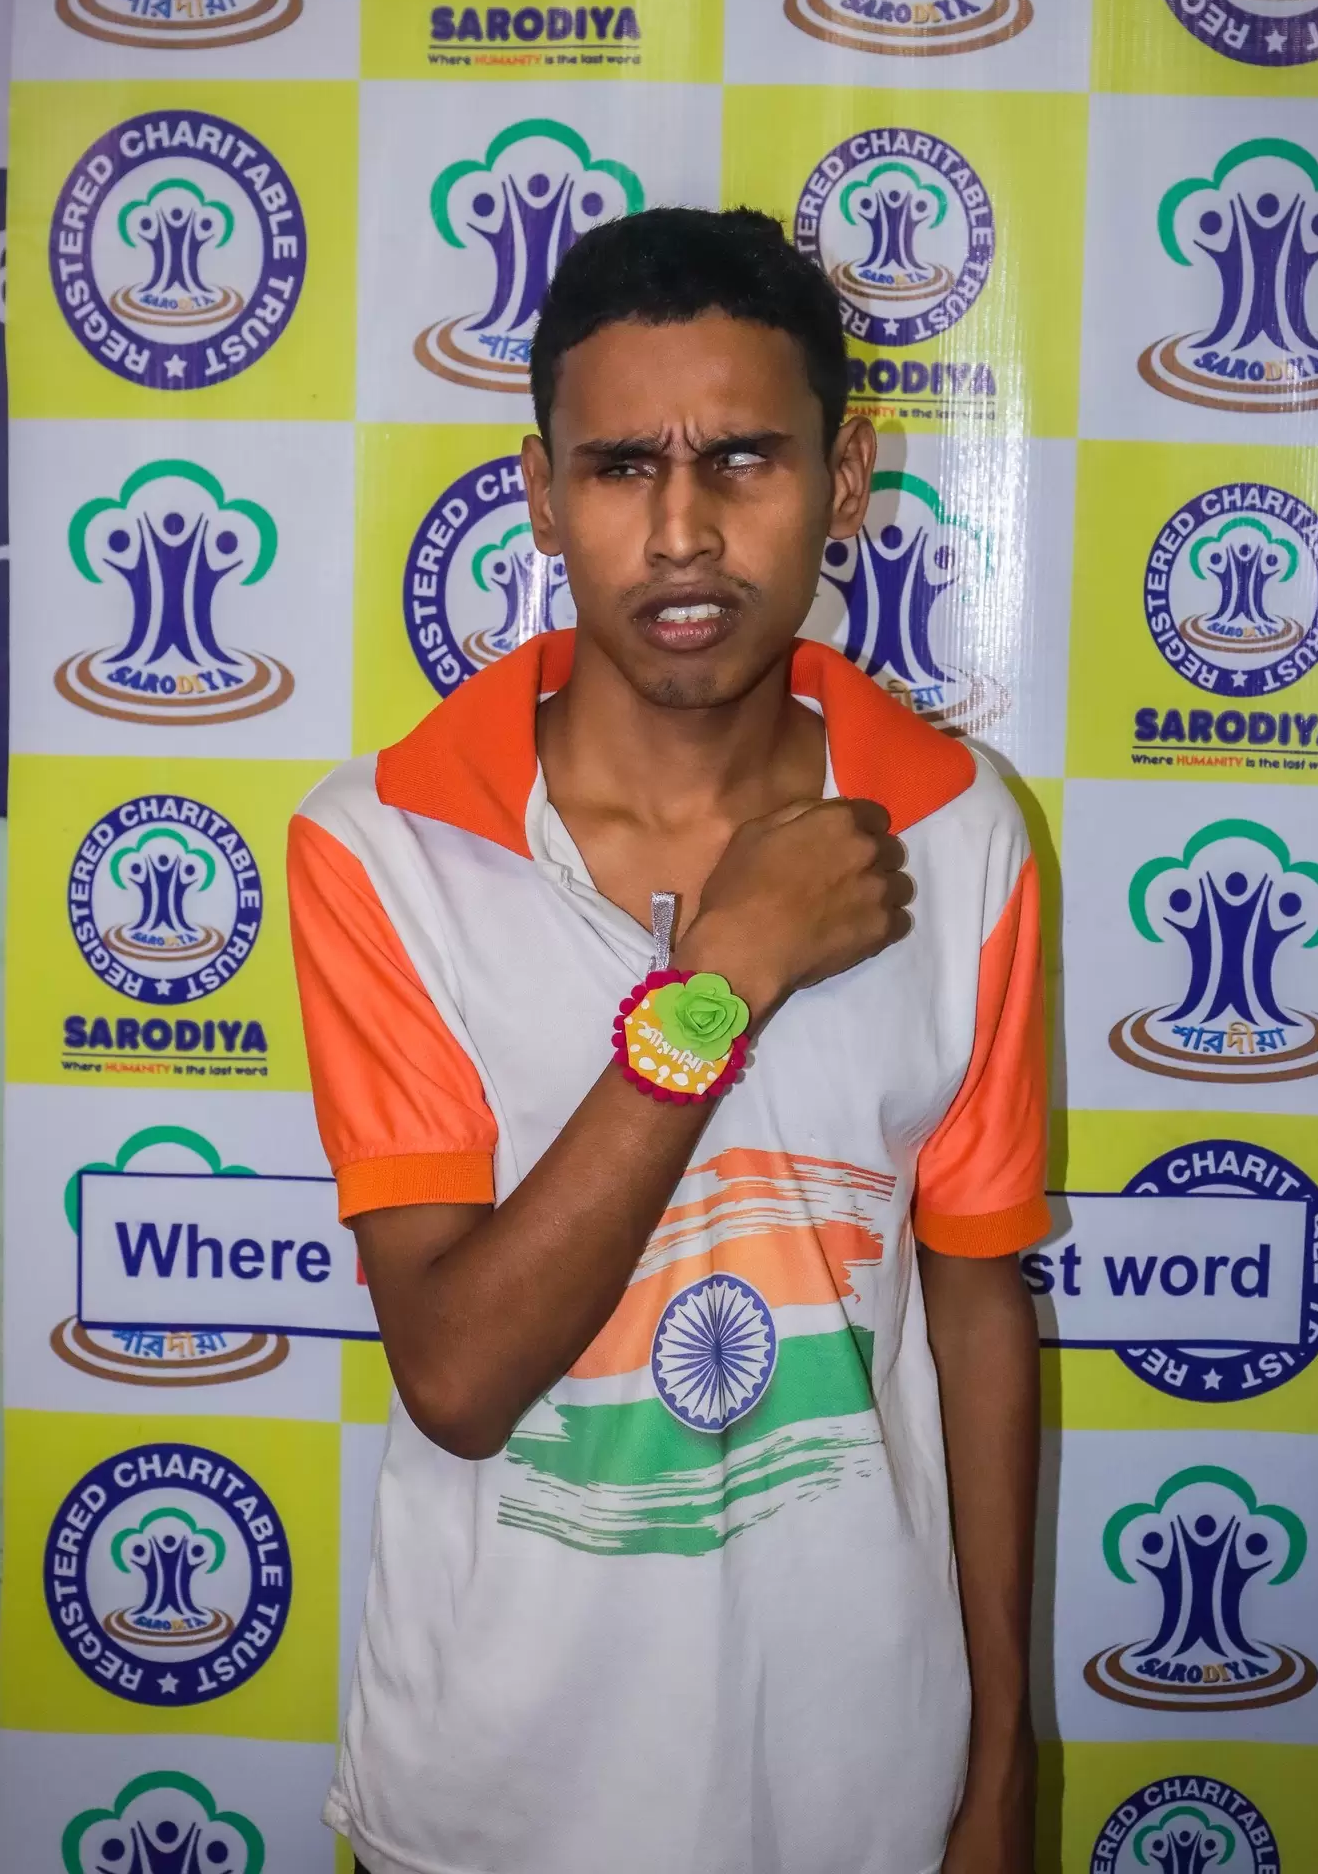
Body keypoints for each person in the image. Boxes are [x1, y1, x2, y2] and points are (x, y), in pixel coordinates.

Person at [289, 206, 1048, 1874]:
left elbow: (977, 1298)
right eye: (623, 467)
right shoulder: (385, 845)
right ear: (542, 491)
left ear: (844, 479)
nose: (684, 532)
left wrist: (1001, 1757)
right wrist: (727, 973)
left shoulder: (959, 829)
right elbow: (459, 1376)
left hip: (862, 1770)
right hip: (496, 1796)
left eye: (745, 460)